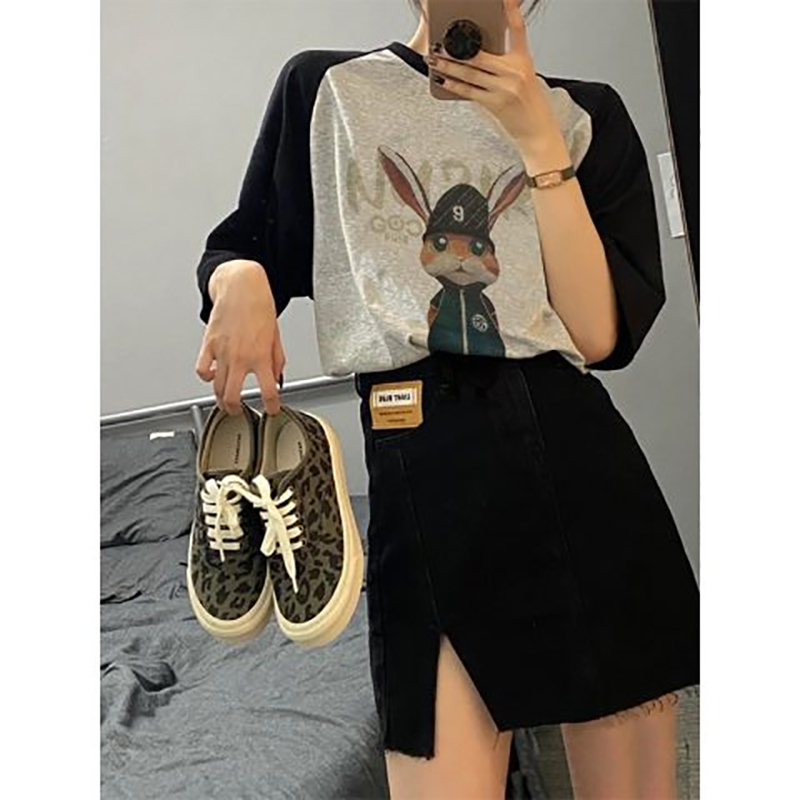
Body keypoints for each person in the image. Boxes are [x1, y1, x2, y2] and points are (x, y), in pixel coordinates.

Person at [193, 0, 700, 797]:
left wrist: (537, 140)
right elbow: (243, 244)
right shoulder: (327, 89)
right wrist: (240, 279)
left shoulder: (585, 113)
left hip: (577, 456)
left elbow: (599, 335)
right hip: (422, 461)